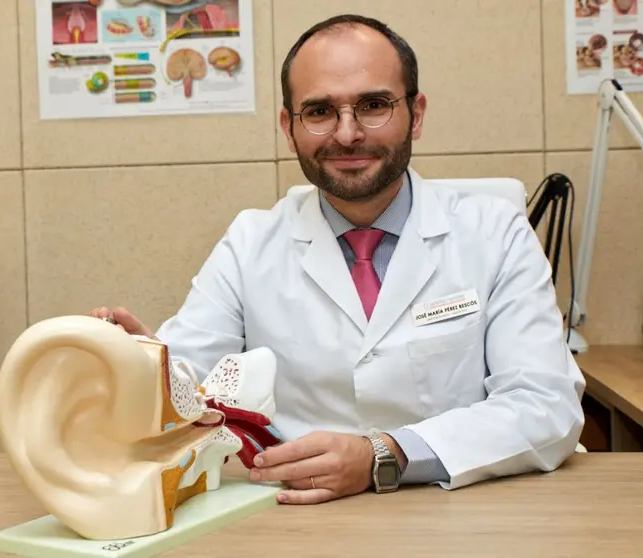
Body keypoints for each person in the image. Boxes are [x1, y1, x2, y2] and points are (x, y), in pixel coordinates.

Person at [91, 14, 585, 505]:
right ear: (289, 127)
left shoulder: (495, 233)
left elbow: (545, 405)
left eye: (373, 105)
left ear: (416, 113)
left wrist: (383, 455)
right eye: (320, 111)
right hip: (294, 517)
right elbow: (189, 390)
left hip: (459, 514)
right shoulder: (250, 244)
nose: (347, 134)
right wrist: (136, 369)